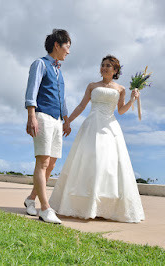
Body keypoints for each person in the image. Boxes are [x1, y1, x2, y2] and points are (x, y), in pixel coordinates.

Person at [49, 55, 145, 223]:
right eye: (102, 65)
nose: (104, 68)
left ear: (115, 70)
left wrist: (132, 99)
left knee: (107, 165)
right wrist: (68, 121)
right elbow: (81, 106)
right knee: (90, 161)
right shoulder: (92, 86)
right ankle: (84, 205)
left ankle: (103, 207)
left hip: (110, 127)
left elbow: (121, 110)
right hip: (91, 126)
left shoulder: (121, 89)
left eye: (108, 66)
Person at [24, 29, 72, 224]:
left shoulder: (59, 70)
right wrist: (31, 116)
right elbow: (32, 90)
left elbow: (62, 98)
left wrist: (66, 119)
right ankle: (45, 208)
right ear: (57, 45)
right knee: (42, 163)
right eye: (67, 47)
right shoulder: (40, 64)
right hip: (42, 116)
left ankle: (30, 199)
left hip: (56, 120)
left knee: (51, 165)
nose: (68, 51)